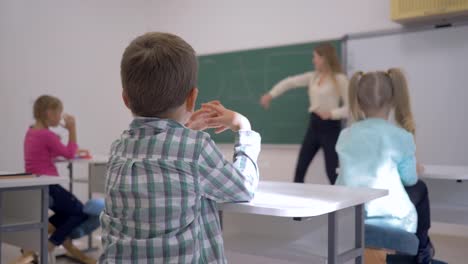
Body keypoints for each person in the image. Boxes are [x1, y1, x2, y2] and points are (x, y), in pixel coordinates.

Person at [99, 32, 261, 263]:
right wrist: (244, 130)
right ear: (192, 98)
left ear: (125, 99)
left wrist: (186, 131)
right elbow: (243, 188)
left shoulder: (118, 149)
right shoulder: (194, 149)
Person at [335, 69, 434, 264]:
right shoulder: (401, 136)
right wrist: (414, 168)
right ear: (393, 101)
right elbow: (409, 179)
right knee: (420, 188)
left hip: (347, 216)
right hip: (391, 219)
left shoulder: (345, 136)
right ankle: (423, 250)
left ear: (359, 102)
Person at [260, 43, 348, 184]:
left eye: (315, 57)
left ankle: (344, 203)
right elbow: (290, 82)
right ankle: (295, 203)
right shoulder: (313, 77)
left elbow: (350, 108)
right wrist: (271, 94)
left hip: (330, 128)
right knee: (300, 170)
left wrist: (332, 113)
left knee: (332, 172)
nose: (313, 60)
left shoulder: (340, 79)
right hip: (314, 126)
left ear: (324, 58)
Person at [24, 95, 94, 263]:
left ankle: (40, 239)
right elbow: (68, 153)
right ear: (49, 113)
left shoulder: (32, 132)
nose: (61, 117)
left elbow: (51, 151)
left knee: (65, 213)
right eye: (59, 113)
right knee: (80, 212)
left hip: (37, 184)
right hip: (49, 185)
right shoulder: (47, 136)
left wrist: (64, 145)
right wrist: (72, 129)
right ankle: (51, 244)